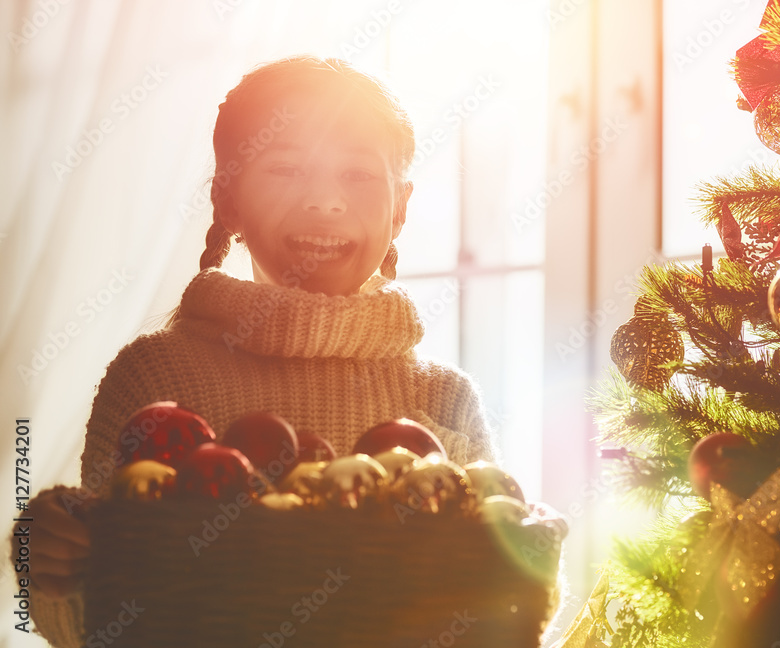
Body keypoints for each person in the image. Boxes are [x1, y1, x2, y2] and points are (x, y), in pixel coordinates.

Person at [9, 55, 501, 647]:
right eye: (288, 168)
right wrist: (53, 562)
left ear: (401, 207)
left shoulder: (445, 397)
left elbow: (496, 600)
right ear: (229, 198)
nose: (325, 200)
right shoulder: (157, 375)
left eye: (359, 175)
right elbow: (103, 621)